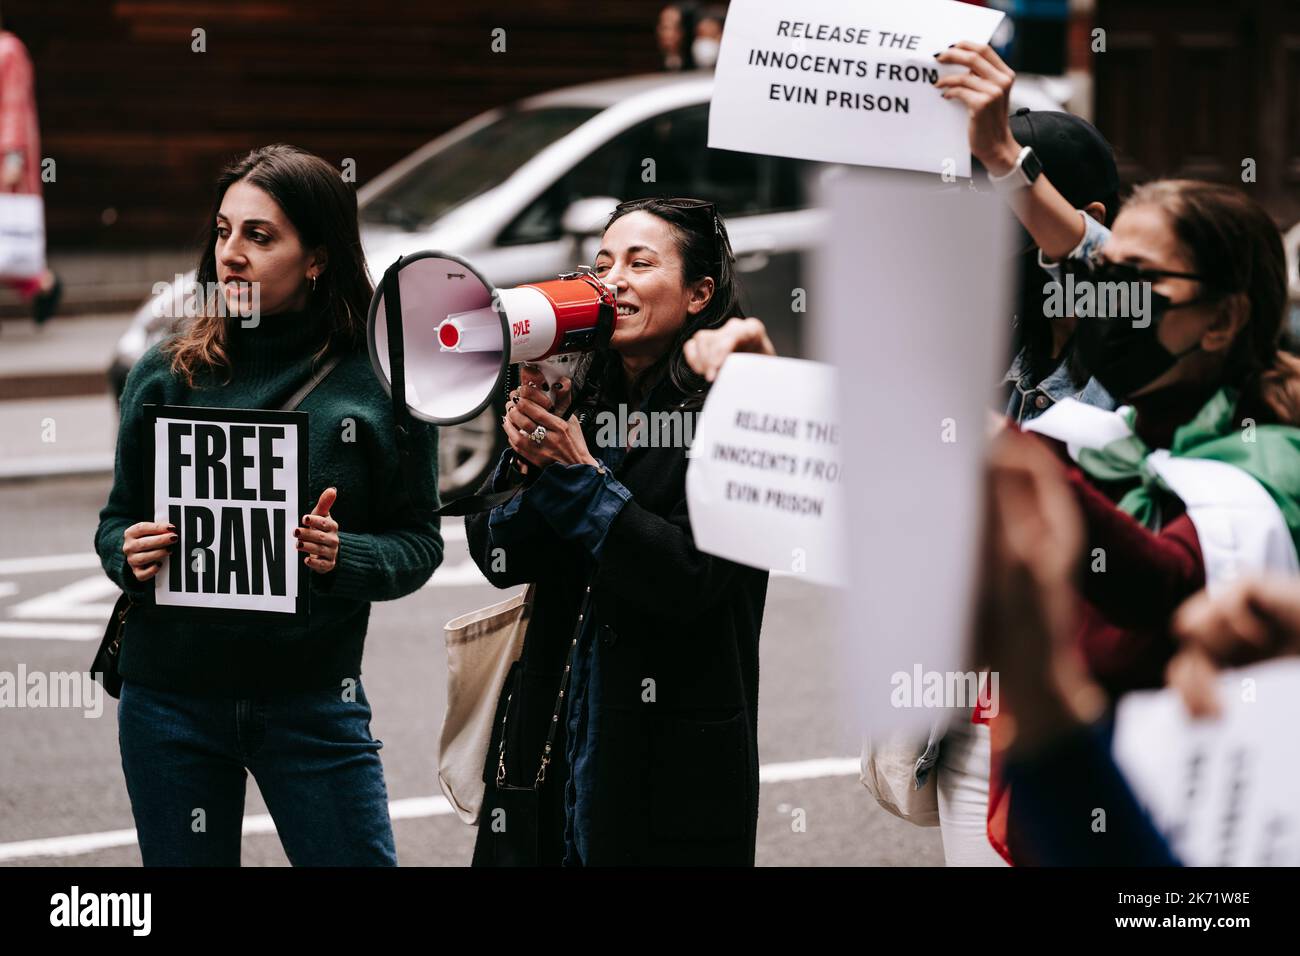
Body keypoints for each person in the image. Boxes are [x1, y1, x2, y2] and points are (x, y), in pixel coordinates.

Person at [939, 39, 1300, 863]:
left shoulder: (1271, 457)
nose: (1107, 298)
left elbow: (1163, 583)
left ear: (1223, 318)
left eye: (1133, 280)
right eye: (1103, 277)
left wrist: (1024, 470)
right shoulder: (1117, 434)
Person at [94, 144, 443, 866]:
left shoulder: (378, 384)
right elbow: (115, 518)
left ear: (317, 258)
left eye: (260, 236)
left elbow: (419, 542)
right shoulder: (166, 370)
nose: (232, 255)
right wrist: (125, 551)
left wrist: (343, 555)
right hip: (169, 704)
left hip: (311, 702)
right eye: (223, 232)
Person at [465, 197, 768, 866]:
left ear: (699, 293)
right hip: (546, 745)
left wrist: (577, 476)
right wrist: (525, 462)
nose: (614, 280)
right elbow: (495, 552)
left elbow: (689, 579)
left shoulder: (738, 405)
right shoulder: (579, 393)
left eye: (640, 262)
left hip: (667, 762)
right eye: (602, 264)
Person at [0, 13, 60, 324]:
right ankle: (43, 284)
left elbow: (14, 107)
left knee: (8, 237)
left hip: (4, 163)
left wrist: (13, 158)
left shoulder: (9, 51)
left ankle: (43, 283)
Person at [656, 3, 697, 72]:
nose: (669, 34)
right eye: (664, 27)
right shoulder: (652, 62)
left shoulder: (695, 61)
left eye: (675, 27)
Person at [692, 5, 726, 71]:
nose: (710, 28)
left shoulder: (721, 37)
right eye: (707, 25)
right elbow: (709, 60)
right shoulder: (700, 44)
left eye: (711, 24)